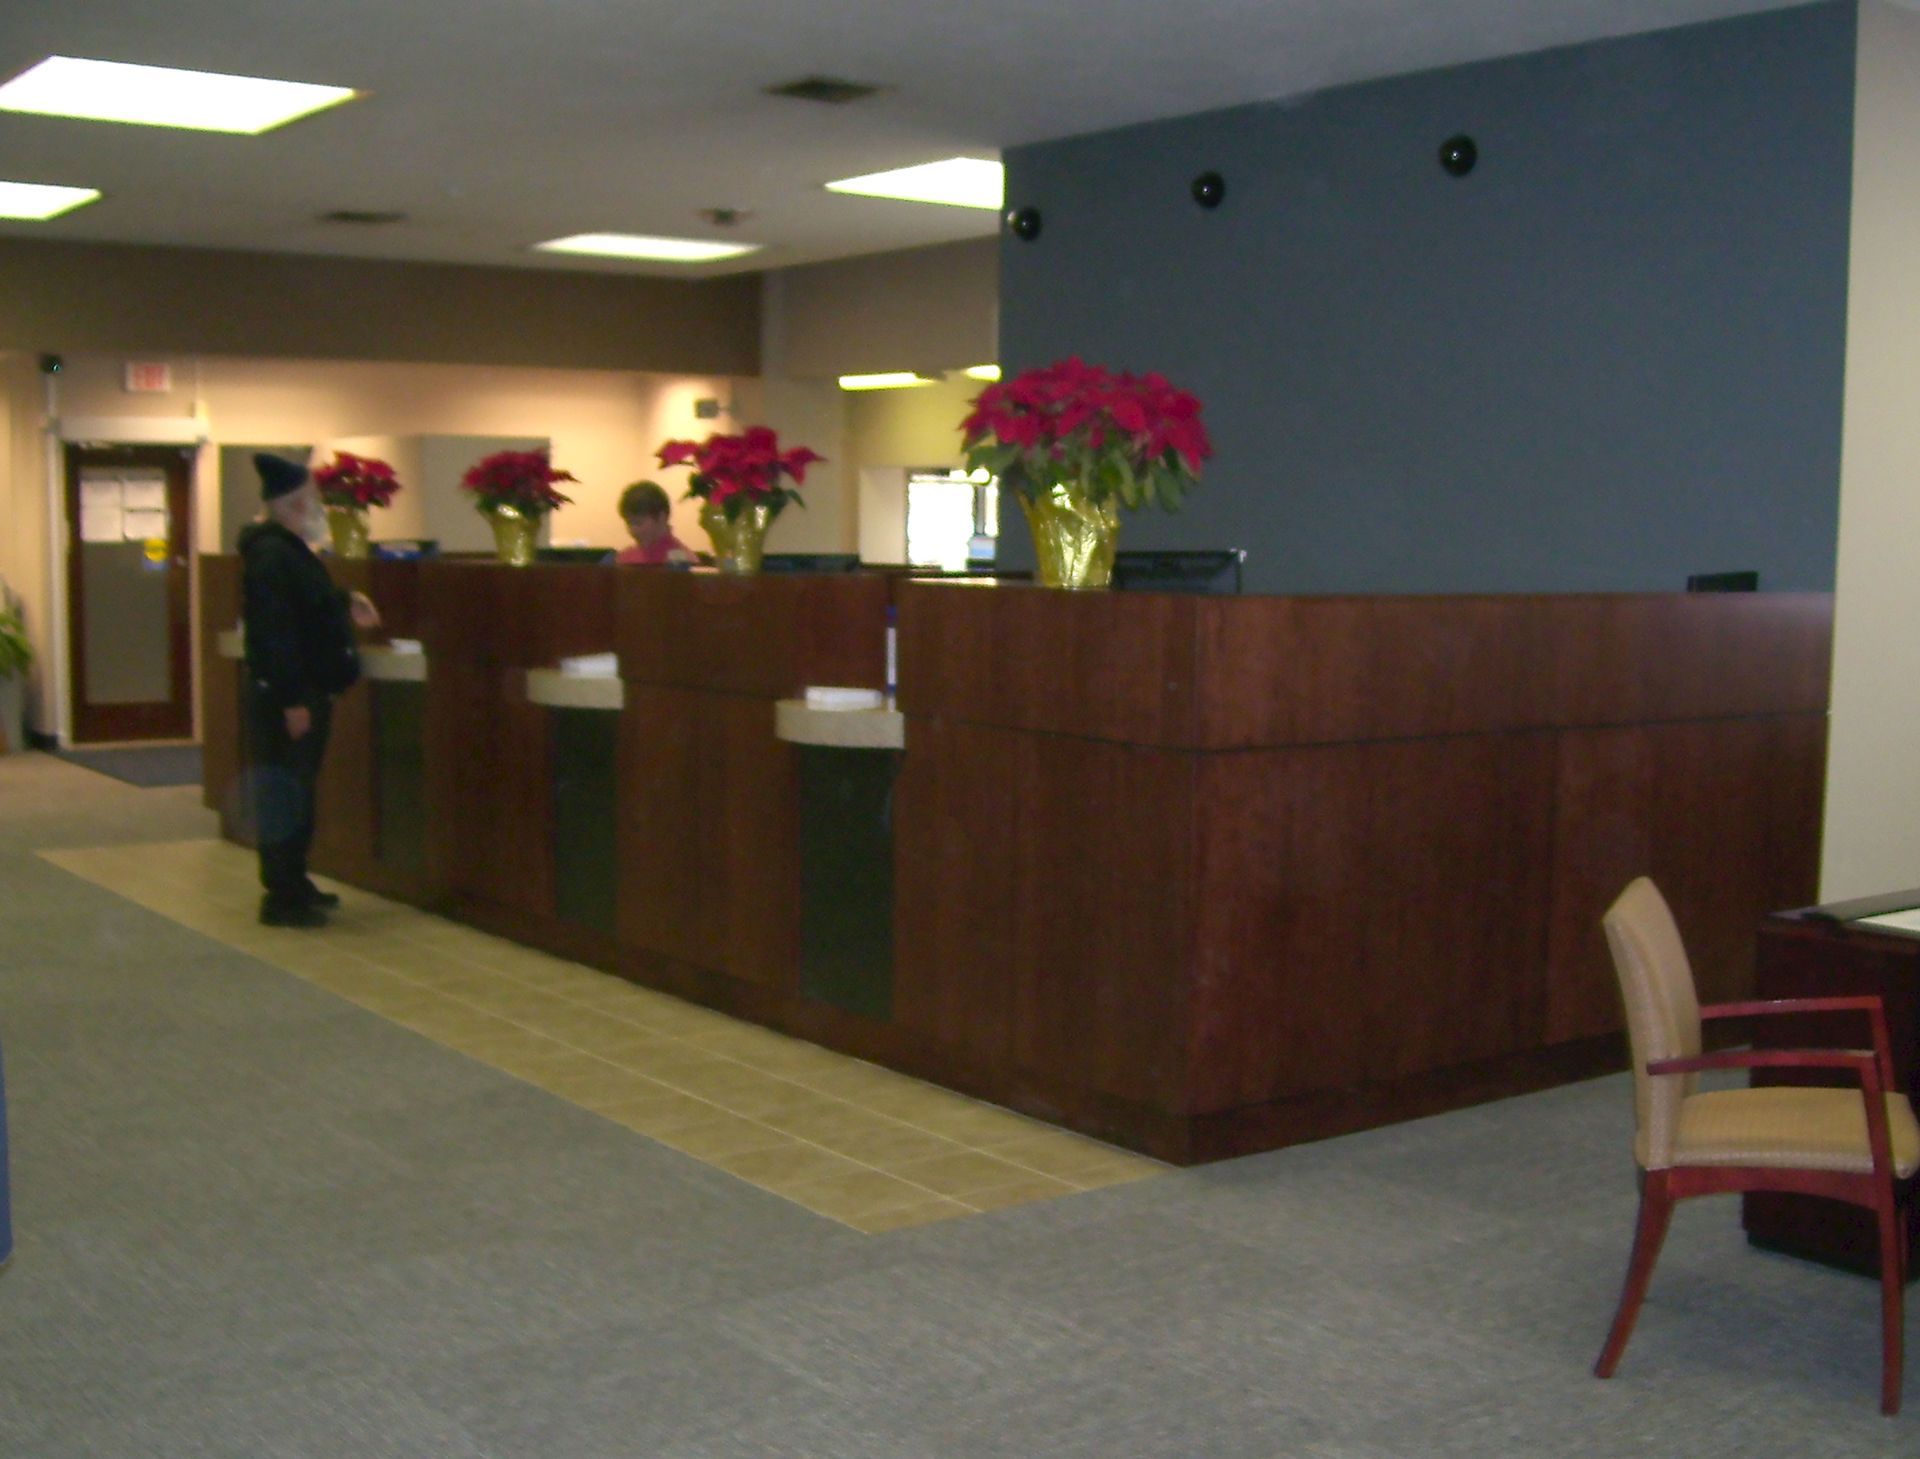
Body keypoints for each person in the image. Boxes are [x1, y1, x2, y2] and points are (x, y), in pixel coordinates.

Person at [238, 453, 380, 927]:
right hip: (291, 697)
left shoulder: (286, 550)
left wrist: (345, 601)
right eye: (308, 499)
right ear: (288, 504)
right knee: (286, 794)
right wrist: (293, 701)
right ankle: (282, 896)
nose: (316, 507)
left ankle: (294, 882)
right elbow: (274, 634)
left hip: (300, 691)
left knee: (296, 792)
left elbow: (307, 604)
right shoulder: (273, 554)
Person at [611, 480, 693, 566]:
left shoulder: (680, 560)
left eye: (638, 523)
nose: (633, 530)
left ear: (662, 518)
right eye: (629, 523)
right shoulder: (624, 558)